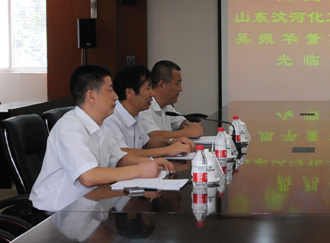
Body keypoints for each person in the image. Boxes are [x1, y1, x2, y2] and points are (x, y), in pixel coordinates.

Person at [30, 65, 173, 213]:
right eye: (110, 90)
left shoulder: (100, 125)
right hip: (56, 213)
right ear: (91, 96)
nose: (116, 96)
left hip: (88, 205)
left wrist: (150, 162)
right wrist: (140, 170)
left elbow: (120, 158)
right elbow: (89, 177)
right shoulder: (69, 128)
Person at [104, 64, 194, 157]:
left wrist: (171, 142)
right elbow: (123, 153)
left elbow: (146, 143)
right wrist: (167, 150)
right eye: (148, 88)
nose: (152, 93)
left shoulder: (134, 114)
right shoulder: (111, 118)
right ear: (130, 92)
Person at [138, 60, 203, 141]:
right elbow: (153, 136)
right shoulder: (144, 107)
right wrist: (188, 132)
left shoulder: (166, 105)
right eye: (177, 84)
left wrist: (190, 126)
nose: (181, 89)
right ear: (161, 85)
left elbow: (181, 122)